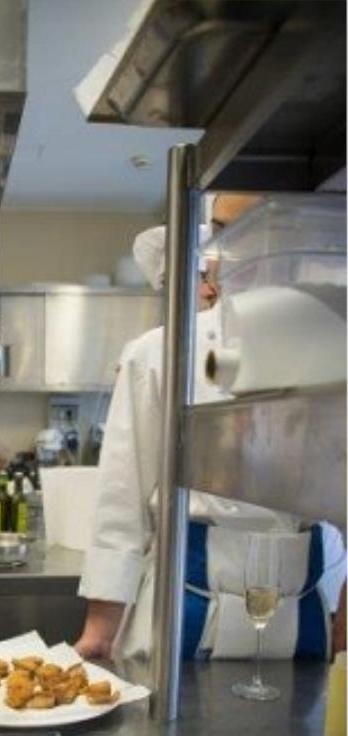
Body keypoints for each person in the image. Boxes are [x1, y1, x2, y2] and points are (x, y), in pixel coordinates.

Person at [76, 194, 344, 662]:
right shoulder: (160, 352)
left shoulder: (335, 345)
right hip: (185, 602)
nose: (244, 252)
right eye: (225, 234)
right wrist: (100, 630)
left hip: (303, 613)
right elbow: (122, 499)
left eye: (269, 234)